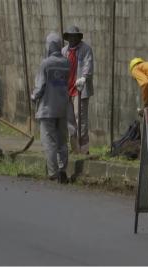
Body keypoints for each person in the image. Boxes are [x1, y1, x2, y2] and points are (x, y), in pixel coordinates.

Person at [31, 32, 70, 184]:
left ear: (48, 45)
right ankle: (63, 170)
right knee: (62, 141)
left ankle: (53, 172)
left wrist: (33, 96)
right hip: (62, 107)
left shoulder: (45, 63)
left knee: (49, 141)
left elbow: (40, 86)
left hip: (47, 108)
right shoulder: (66, 63)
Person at [62, 25, 93, 154]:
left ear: (78, 37)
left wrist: (84, 77)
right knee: (69, 120)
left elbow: (88, 64)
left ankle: (84, 149)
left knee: (80, 119)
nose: (72, 38)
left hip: (80, 89)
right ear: (67, 37)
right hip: (66, 90)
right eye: (70, 36)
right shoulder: (64, 51)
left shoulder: (86, 49)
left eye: (74, 36)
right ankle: (74, 148)